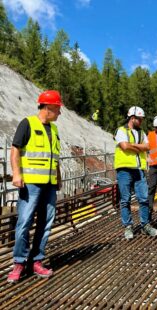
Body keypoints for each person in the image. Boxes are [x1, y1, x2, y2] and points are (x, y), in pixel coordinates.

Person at [7, 90, 63, 283]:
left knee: (45, 223)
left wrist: (59, 178)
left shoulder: (54, 130)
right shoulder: (27, 123)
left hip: (49, 185)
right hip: (31, 184)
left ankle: (36, 260)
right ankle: (19, 262)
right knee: (24, 222)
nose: (60, 113)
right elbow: (15, 149)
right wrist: (16, 173)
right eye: (58, 109)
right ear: (49, 107)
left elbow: (54, 158)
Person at [114, 106, 157, 240]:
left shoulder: (142, 133)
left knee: (144, 198)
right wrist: (139, 147)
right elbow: (124, 146)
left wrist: (132, 146)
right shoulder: (121, 131)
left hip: (139, 169)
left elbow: (147, 146)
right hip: (124, 169)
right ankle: (128, 227)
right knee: (125, 200)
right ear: (132, 118)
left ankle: (145, 225)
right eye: (139, 119)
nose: (141, 122)